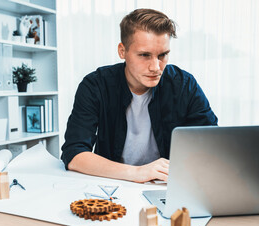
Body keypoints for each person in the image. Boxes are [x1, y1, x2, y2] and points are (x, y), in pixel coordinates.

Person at [61, 9, 218, 183]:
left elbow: (211, 145)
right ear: (122, 51)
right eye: (144, 55)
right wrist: (138, 173)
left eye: (162, 55)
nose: (156, 67)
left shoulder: (184, 84)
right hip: (112, 186)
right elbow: (74, 154)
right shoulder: (95, 85)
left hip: (167, 186)